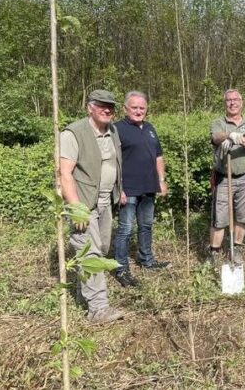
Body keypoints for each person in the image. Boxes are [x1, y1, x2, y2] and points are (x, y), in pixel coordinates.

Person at [59, 89, 125, 324]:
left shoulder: (112, 131)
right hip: (84, 204)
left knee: (102, 247)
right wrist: (76, 208)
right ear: (89, 107)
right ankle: (98, 309)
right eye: (101, 105)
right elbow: (64, 174)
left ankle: (84, 294)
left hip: (105, 201)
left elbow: (113, 164)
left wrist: (120, 189)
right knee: (91, 253)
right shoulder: (73, 133)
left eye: (110, 106)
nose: (107, 110)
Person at [111, 91, 170, 288]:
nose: (138, 111)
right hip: (128, 189)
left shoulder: (150, 128)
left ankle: (147, 261)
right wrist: (118, 188)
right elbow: (112, 161)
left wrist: (161, 180)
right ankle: (121, 269)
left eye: (142, 108)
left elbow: (158, 156)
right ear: (125, 109)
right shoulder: (117, 129)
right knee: (125, 229)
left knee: (146, 226)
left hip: (149, 187)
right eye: (134, 107)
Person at [208, 89, 245, 264]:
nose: (232, 103)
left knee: (243, 215)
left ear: (241, 102)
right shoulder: (218, 122)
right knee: (220, 217)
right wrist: (228, 134)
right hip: (224, 178)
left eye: (236, 99)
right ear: (225, 103)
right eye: (229, 100)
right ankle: (215, 252)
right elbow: (216, 137)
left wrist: (239, 139)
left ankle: (236, 248)